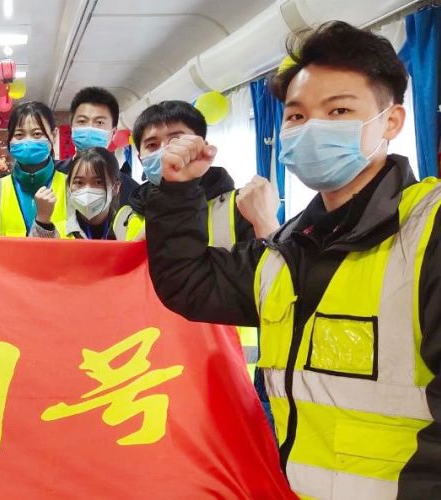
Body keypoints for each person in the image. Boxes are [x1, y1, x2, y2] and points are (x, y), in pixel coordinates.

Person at [144, 21, 441, 498]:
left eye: (339, 110)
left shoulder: (428, 230)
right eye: (297, 116)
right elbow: (190, 283)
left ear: (391, 122)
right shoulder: (290, 246)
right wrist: (179, 191)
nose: (311, 128)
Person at [119, 100, 266, 244]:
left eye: (176, 140)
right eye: (152, 145)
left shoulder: (243, 208)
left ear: (203, 147)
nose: (166, 151)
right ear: (140, 160)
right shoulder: (123, 218)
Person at [0, 86, 138, 201]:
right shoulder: (54, 172)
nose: (89, 129)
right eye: (82, 121)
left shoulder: (131, 190)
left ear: (113, 132)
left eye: (99, 123)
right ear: (72, 127)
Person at [0, 101, 71, 237]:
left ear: (54, 135)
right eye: (19, 135)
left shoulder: (71, 187)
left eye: (37, 134)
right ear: (9, 138)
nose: (27, 141)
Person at [31, 147, 122, 240]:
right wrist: (42, 222)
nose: (87, 190)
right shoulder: (56, 232)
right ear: (69, 186)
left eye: (98, 182)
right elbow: (36, 248)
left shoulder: (127, 231)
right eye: (79, 182)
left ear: (116, 187)